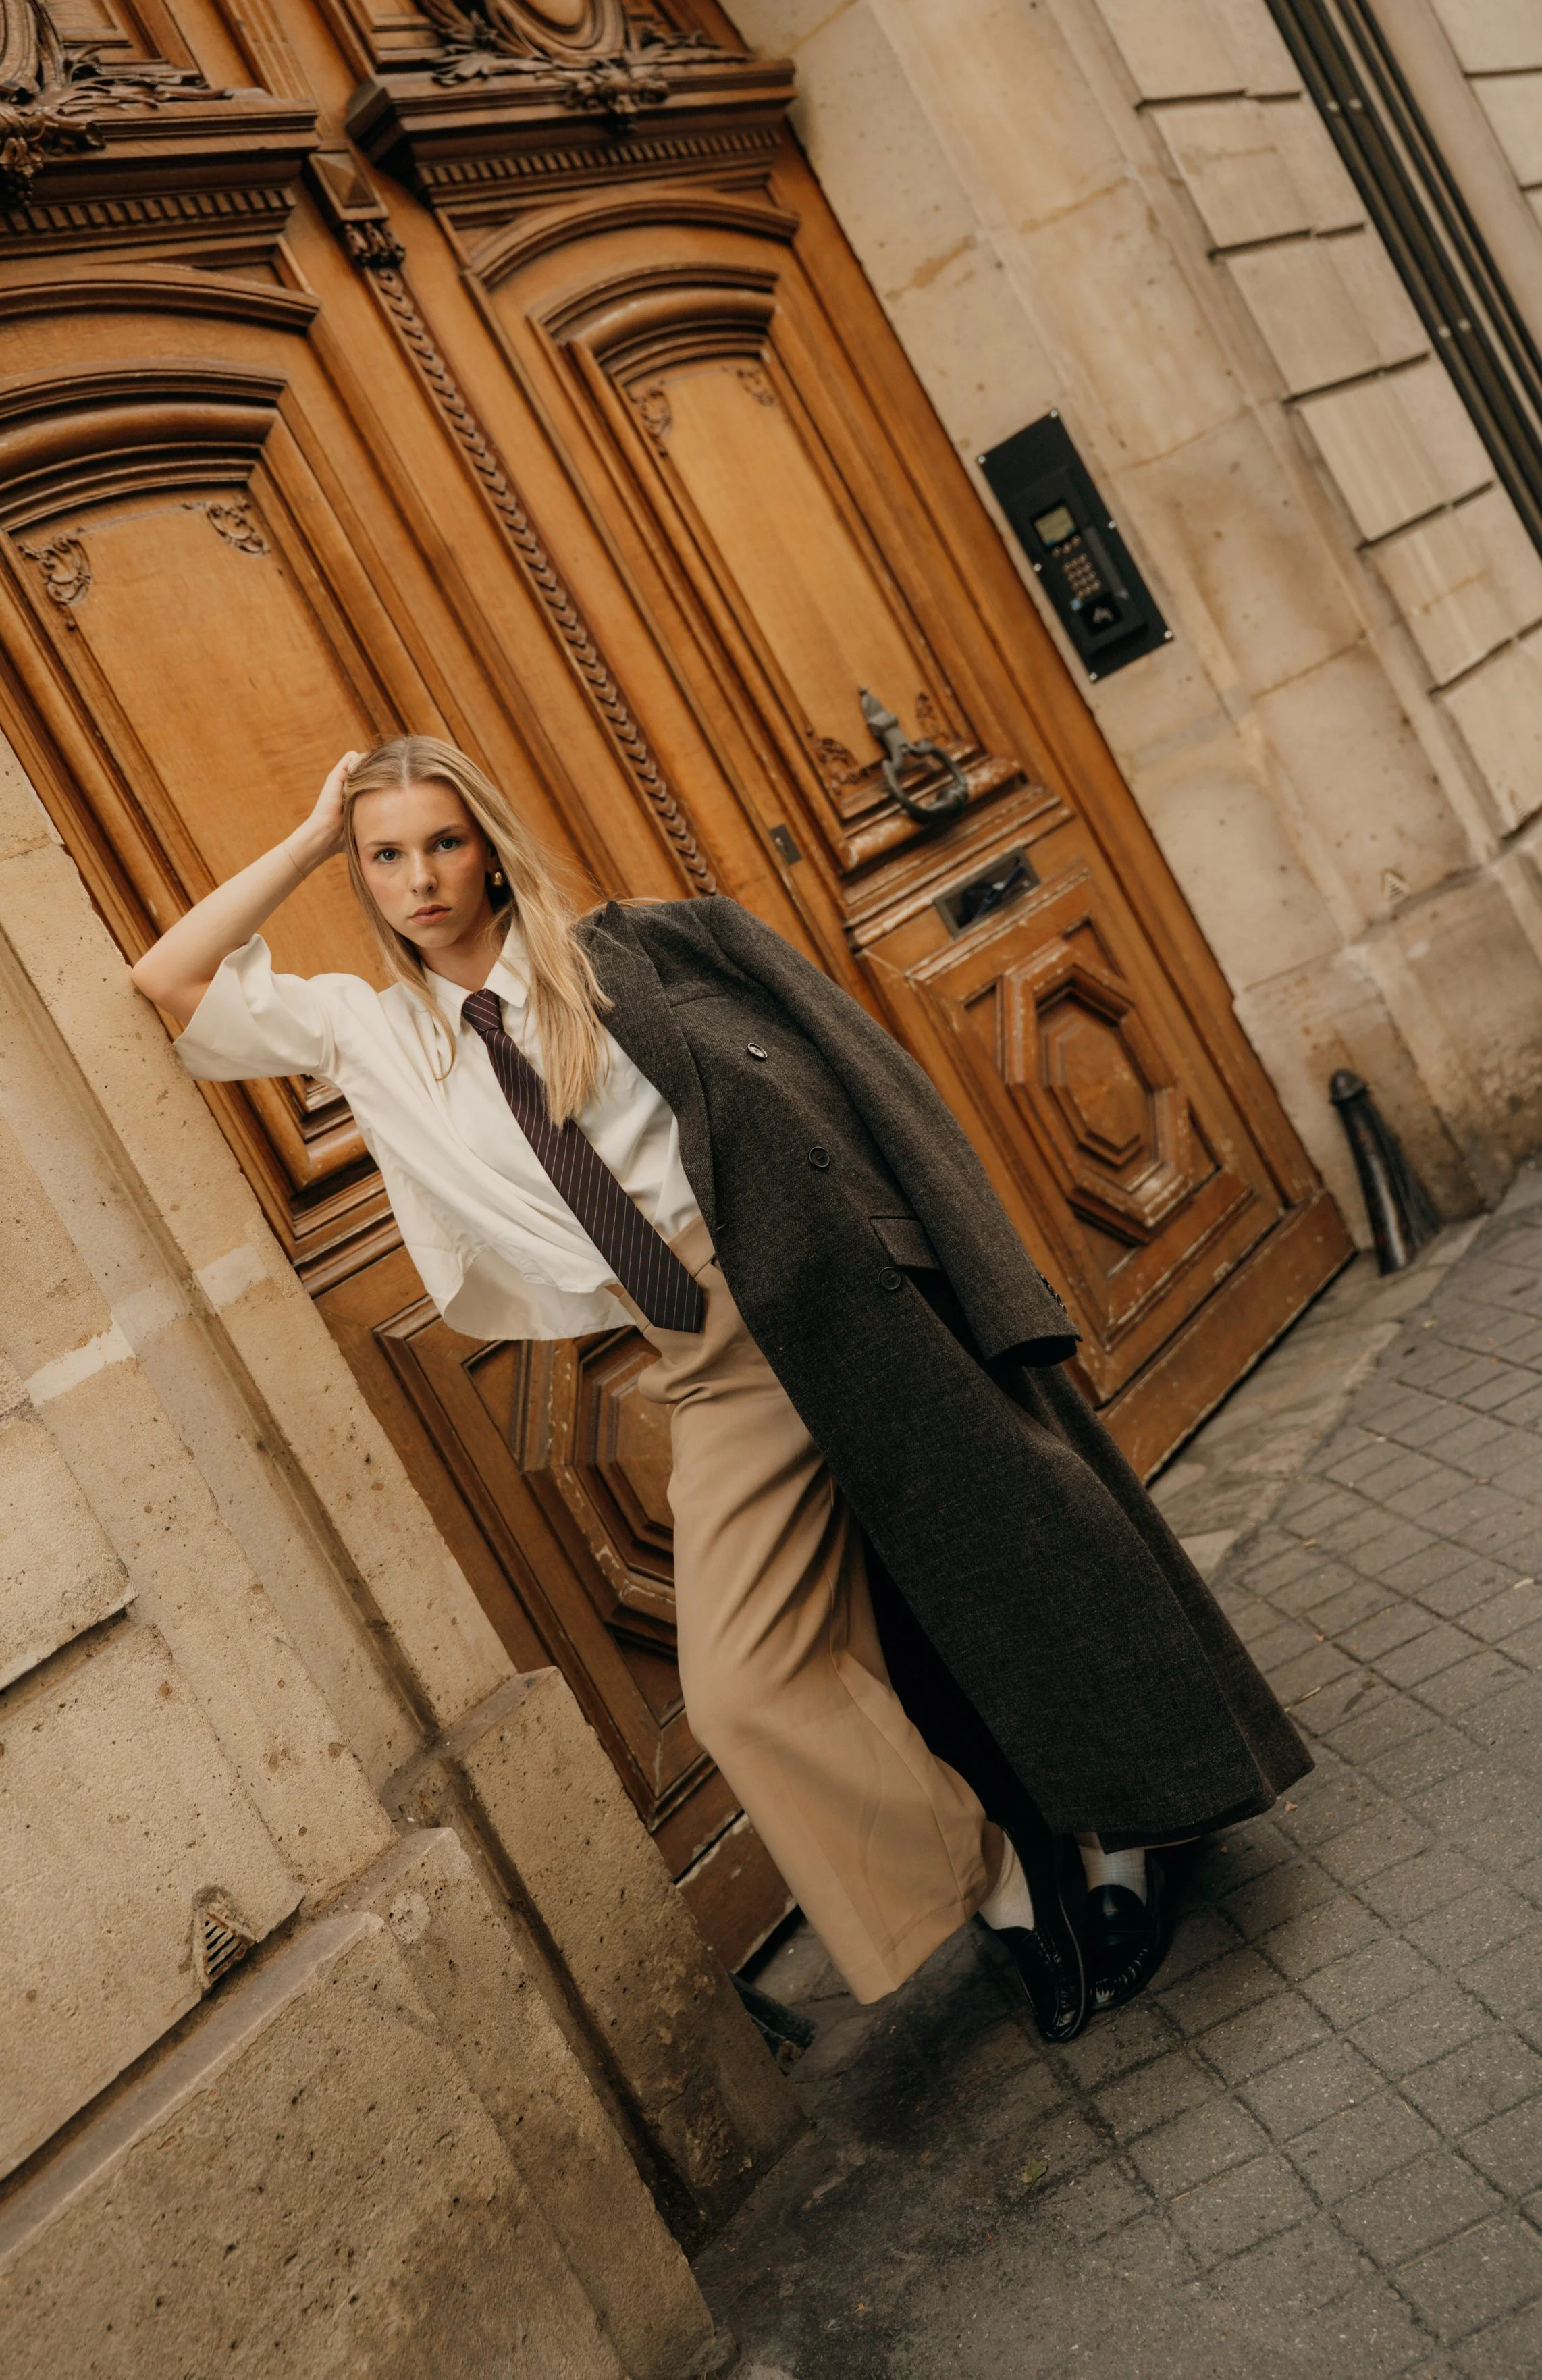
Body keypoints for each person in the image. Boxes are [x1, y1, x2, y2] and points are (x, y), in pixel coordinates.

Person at [133, 736, 1311, 2044]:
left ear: (489, 848)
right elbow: (169, 979)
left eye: (442, 842)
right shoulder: (374, 1034)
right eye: (386, 854)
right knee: (745, 1691)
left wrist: (955, 1275)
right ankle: (1001, 1889)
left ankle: (1123, 1849)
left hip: (829, 1294)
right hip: (701, 1359)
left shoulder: (633, 954)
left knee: (1024, 1556)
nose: (419, 878)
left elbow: (850, 1086)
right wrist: (306, 838)